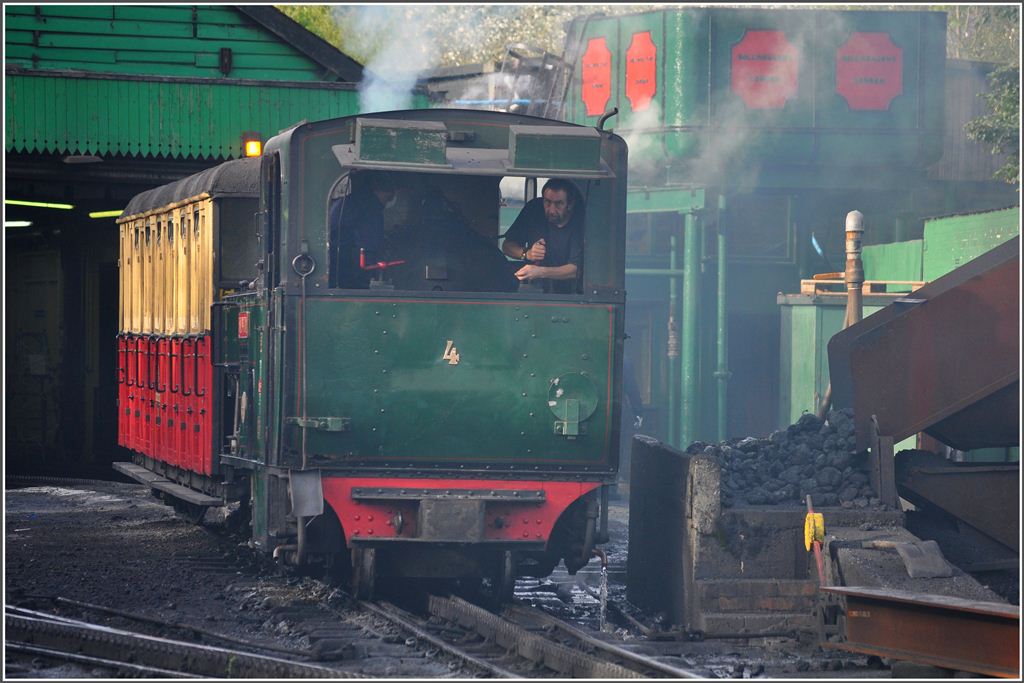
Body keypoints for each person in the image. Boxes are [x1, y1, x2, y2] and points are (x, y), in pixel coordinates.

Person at [501, 178, 584, 294]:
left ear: (570, 204)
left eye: (558, 203)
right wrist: (527, 253)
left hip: (574, 294)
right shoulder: (534, 209)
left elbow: (575, 270)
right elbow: (507, 246)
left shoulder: (581, 220)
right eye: (547, 202)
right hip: (536, 291)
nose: (551, 210)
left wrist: (539, 272)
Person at [329, 171, 396, 288]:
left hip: (334, 267)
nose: (388, 202)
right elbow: (369, 245)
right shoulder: (371, 207)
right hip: (351, 272)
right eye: (388, 197)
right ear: (380, 190)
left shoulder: (347, 201)